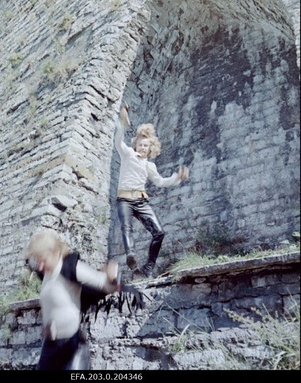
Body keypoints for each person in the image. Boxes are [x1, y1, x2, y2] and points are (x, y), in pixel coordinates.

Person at [24, 230, 143, 370]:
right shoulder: (45, 274)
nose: (41, 266)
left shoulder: (70, 267)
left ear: (55, 253)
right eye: (38, 261)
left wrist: (111, 276)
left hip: (71, 346)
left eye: (44, 260)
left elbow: (103, 283)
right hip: (50, 346)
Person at [115, 102, 189, 279]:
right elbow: (118, 141)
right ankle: (131, 257)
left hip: (141, 201)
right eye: (139, 144)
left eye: (145, 145)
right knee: (126, 228)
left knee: (159, 232)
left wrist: (177, 178)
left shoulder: (150, 166)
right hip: (124, 200)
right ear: (135, 145)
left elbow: (160, 182)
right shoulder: (127, 154)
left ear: (150, 149)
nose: (141, 147)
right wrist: (122, 123)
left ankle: (148, 267)